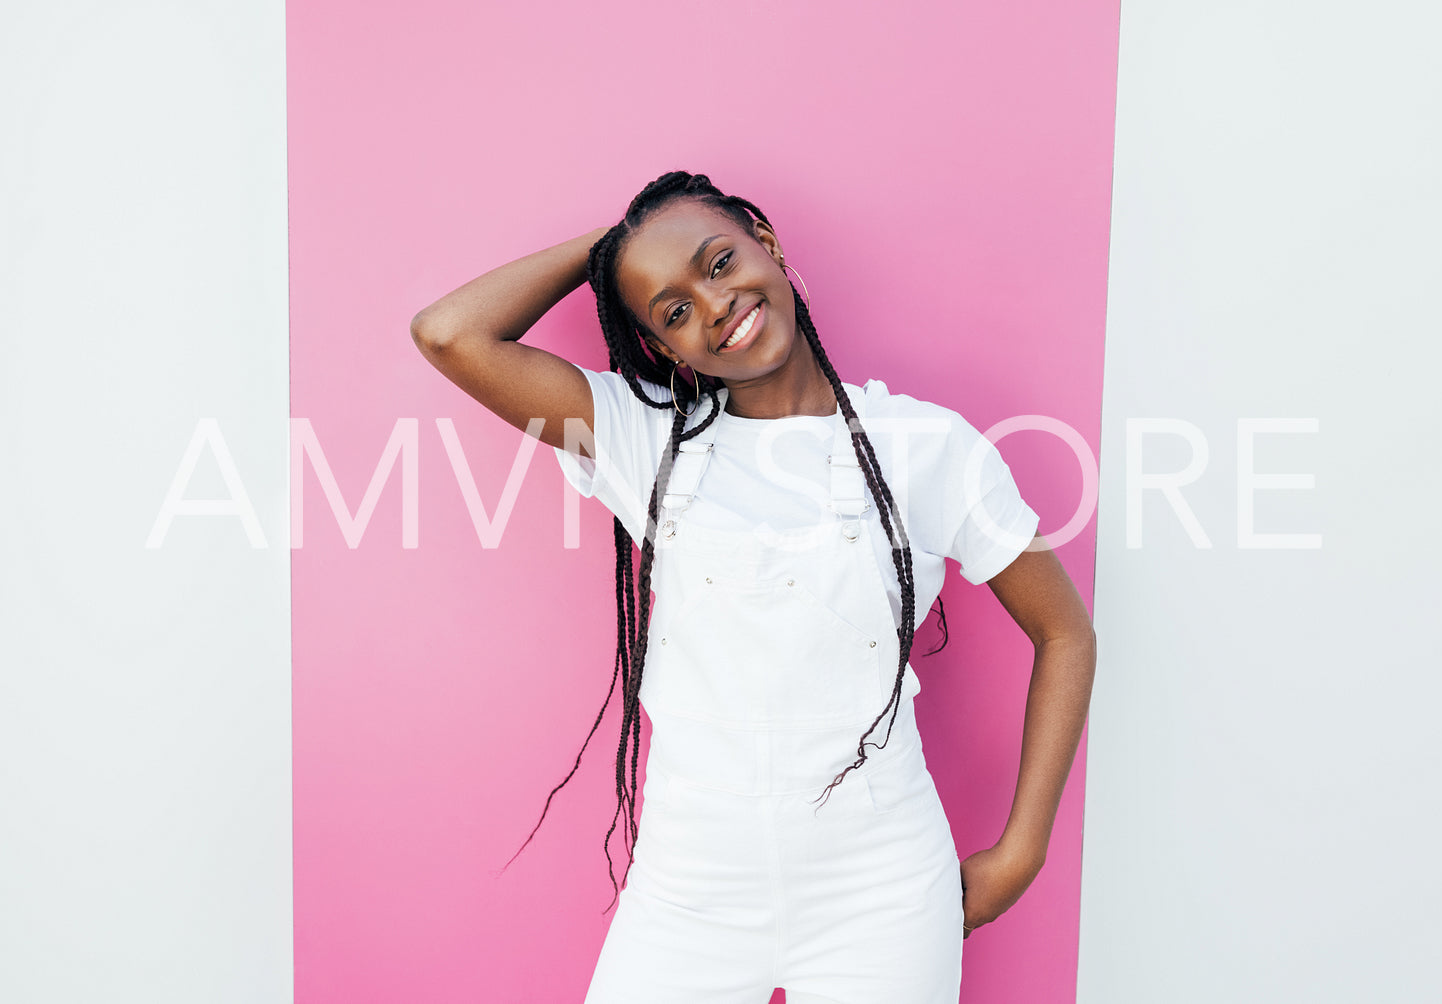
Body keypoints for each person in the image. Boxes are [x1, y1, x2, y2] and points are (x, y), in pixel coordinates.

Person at [410, 171, 1097, 1003]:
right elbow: (450, 335)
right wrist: (610, 249)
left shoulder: (924, 445)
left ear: (765, 243)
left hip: (880, 891)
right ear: (665, 350)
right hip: (688, 893)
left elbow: (1064, 632)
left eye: (718, 261)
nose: (712, 305)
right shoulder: (643, 438)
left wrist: (1021, 852)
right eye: (671, 311)